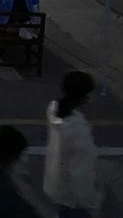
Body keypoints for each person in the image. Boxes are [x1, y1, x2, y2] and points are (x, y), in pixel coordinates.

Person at [44, 71, 99, 217]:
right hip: (73, 198)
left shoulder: (54, 109)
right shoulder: (78, 128)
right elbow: (80, 171)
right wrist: (90, 201)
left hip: (56, 183)